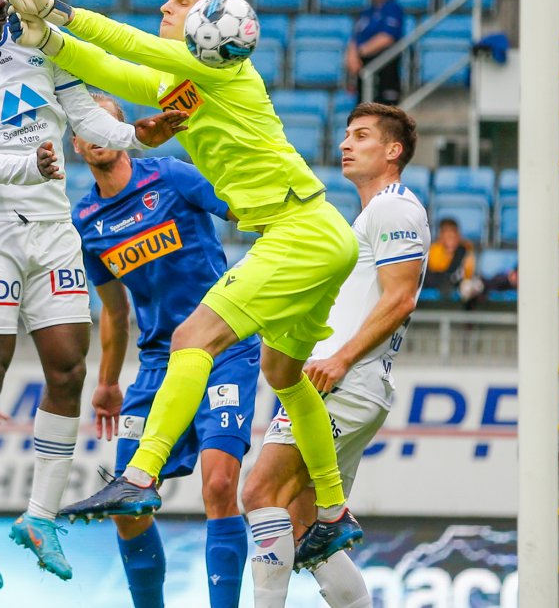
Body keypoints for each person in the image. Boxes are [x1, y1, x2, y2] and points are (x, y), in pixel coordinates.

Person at [0, 0, 363, 569]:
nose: (167, 10)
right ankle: (331, 511)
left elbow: (126, 47)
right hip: (315, 232)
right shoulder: (183, 82)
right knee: (284, 374)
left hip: (299, 231)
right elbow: (117, 72)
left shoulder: (219, 64)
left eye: (183, 3)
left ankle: (141, 476)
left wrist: (60, 13)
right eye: (168, 2)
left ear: (210, 23)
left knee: (194, 336)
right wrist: (47, 43)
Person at [0, 0, 186, 592]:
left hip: (53, 230)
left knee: (68, 367)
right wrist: (30, 164)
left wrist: (135, 136)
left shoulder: (41, 41)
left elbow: (88, 114)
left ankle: (40, 519)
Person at [73, 93, 259, 608]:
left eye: (106, 125)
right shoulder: (85, 220)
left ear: (123, 132)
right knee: (127, 507)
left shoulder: (172, 176)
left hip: (224, 344)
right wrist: (108, 382)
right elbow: (114, 312)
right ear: (76, 143)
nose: (96, 135)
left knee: (219, 482)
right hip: (157, 363)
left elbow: (244, 211)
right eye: (85, 128)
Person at [242, 103, 428, 606]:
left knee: (260, 492)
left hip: (342, 385)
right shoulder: (369, 215)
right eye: (346, 134)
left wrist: (340, 359)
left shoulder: (396, 207)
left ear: (393, 151)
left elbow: (401, 297)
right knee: (305, 526)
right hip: (341, 385)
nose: (346, 144)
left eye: (362, 136)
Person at [345, 0, 405, 105]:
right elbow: (355, 37)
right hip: (364, 73)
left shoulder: (393, 9)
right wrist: (351, 55)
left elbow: (387, 37)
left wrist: (360, 53)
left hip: (383, 74)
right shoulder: (366, 12)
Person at [422, 217, 476, 300]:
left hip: (457, 283)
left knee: (469, 286)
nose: (451, 238)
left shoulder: (464, 249)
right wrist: (448, 253)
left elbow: (468, 274)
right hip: (437, 282)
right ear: (441, 236)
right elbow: (434, 269)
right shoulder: (434, 249)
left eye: (453, 234)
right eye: (447, 235)